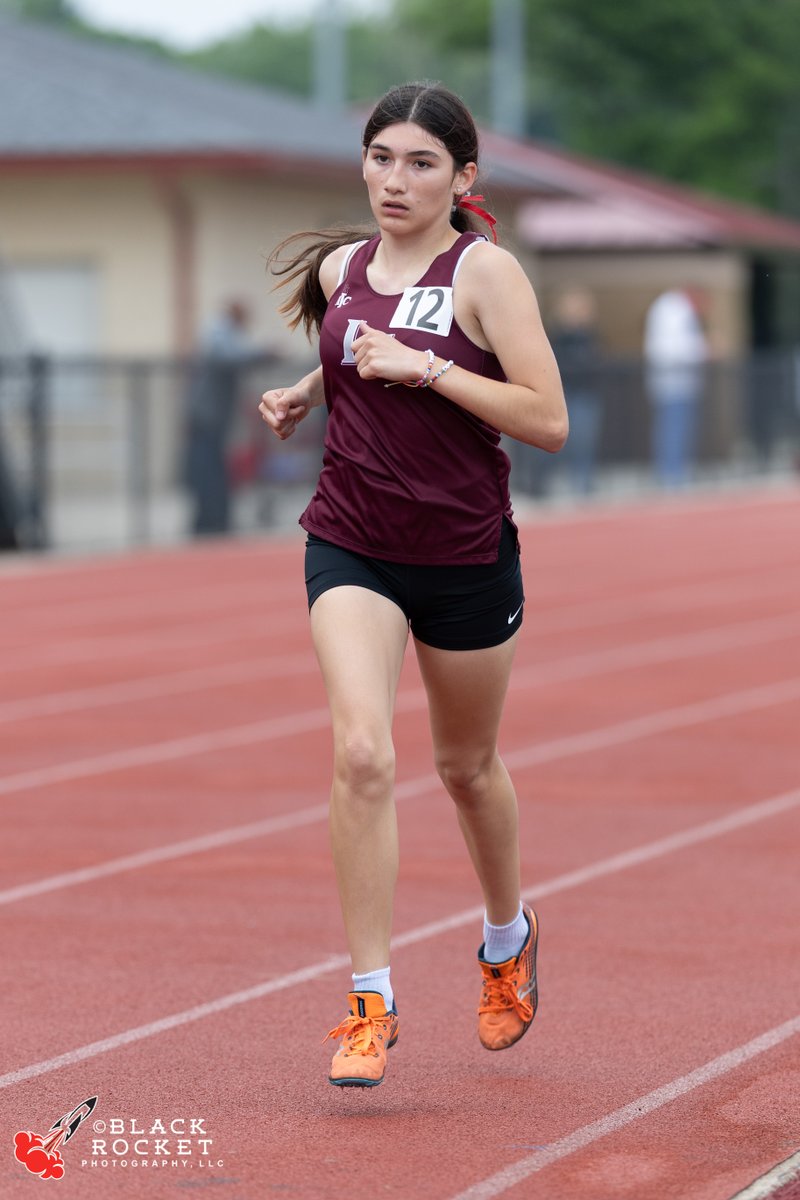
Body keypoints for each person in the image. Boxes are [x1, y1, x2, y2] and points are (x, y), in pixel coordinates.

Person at [259, 81, 567, 1089]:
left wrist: (424, 371)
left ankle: (504, 937)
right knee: (359, 751)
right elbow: (354, 346)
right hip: (351, 541)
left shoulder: (487, 274)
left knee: (466, 767)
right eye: (380, 157)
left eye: (420, 163)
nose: (395, 179)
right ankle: (369, 1000)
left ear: (461, 177)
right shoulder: (343, 266)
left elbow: (544, 418)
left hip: (464, 553)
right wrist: (304, 391)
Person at [184, 299, 258, 535]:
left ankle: (215, 520)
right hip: (206, 417)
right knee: (207, 471)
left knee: (215, 469)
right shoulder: (218, 330)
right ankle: (208, 523)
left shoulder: (223, 331)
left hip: (213, 417)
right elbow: (227, 356)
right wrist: (265, 352)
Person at [643, 288, 708, 488]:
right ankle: (671, 474)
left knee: (677, 428)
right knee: (672, 429)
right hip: (672, 383)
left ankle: (675, 472)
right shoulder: (672, 310)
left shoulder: (674, 309)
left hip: (680, 382)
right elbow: (673, 348)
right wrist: (703, 350)